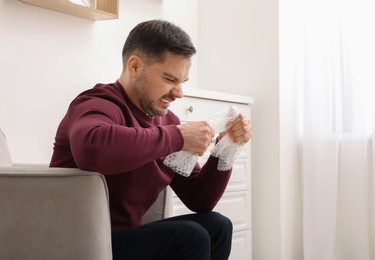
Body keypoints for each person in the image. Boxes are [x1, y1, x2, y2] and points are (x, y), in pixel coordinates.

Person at [50, 19, 252, 260]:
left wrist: (225, 149)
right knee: (189, 236)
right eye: (169, 80)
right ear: (135, 66)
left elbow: (199, 199)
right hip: (76, 243)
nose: (178, 93)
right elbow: (92, 149)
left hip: (123, 242)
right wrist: (178, 136)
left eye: (182, 82)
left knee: (218, 226)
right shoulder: (97, 103)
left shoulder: (167, 123)